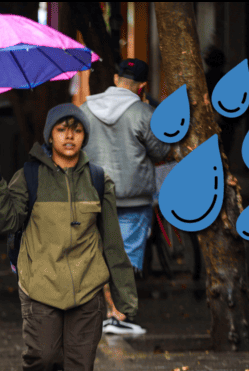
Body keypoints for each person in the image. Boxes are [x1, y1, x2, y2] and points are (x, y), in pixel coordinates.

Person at [0, 103, 138, 371]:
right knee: (43, 355)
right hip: (41, 283)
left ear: (84, 136)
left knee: (80, 365)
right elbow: (7, 221)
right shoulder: (30, 176)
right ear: (49, 135)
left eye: (77, 130)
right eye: (62, 129)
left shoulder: (98, 179)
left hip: (87, 286)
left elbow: (112, 240)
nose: (70, 136)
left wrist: (124, 296)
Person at [80, 58, 170, 335]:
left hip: (94, 196)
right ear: (142, 87)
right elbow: (161, 152)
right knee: (127, 257)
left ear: (117, 79)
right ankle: (120, 314)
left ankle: (105, 312)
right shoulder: (145, 113)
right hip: (134, 199)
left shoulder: (85, 109)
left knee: (99, 254)